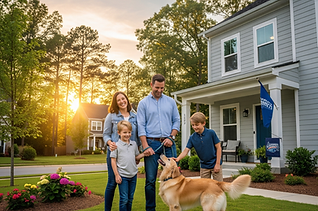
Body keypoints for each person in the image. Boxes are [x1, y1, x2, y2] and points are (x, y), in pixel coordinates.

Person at [137, 73, 180, 211]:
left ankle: (175, 207)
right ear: (151, 85)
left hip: (169, 144)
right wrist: (145, 146)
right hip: (152, 144)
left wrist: (171, 137)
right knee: (150, 180)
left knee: (174, 178)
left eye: (162, 88)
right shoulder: (143, 103)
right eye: (157, 87)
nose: (160, 90)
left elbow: (176, 121)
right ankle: (150, 209)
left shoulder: (170, 102)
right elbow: (141, 125)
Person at [103, 91, 140, 211]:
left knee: (127, 192)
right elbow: (105, 134)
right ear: (116, 103)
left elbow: (137, 136)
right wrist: (110, 143)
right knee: (112, 182)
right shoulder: (111, 116)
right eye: (118, 100)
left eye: (123, 99)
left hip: (129, 153)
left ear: (127, 100)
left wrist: (137, 153)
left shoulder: (135, 116)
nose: (121, 101)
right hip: (114, 153)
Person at [174, 112, 223, 181]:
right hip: (204, 166)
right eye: (193, 125)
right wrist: (178, 159)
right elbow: (186, 150)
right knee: (204, 188)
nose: (194, 127)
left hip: (215, 164)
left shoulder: (211, 133)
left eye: (197, 125)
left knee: (219, 187)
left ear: (203, 123)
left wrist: (217, 164)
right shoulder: (192, 137)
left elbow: (218, 148)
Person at [111, 120, 145, 211]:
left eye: (129, 132)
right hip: (123, 176)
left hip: (133, 176)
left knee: (130, 199)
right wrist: (117, 175)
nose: (127, 134)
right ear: (119, 133)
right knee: (124, 200)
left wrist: (145, 154)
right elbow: (113, 160)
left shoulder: (133, 144)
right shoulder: (116, 145)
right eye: (124, 132)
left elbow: (136, 157)